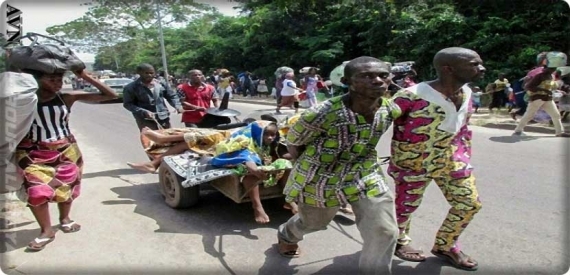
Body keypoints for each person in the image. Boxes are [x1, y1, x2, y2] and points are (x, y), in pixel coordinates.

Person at [276, 56, 400, 275]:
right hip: (320, 177)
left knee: (385, 230)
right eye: (367, 76)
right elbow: (294, 141)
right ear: (347, 81)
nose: (378, 81)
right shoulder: (322, 113)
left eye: (383, 75)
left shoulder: (390, 110)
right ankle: (287, 234)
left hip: (365, 173)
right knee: (313, 223)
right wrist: (306, 165)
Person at [388, 47, 484, 271]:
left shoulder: (468, 93)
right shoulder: (410, 95)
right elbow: (377, 125)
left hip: (454, 161)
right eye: (474, 64)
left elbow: (463, 128)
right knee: (405, 208)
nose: (481, 68)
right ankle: (399, 241)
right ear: (448, 69)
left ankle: (446, 245)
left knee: (469, 204)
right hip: (413, 163)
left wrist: (464, 154)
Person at [15, 68, 117, 251]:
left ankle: (65, 219)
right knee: (35, 191)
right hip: (33, 152)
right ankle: (47, 231)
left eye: (59, 79)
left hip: (66, 151)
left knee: (67, 187)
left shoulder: (67, 97)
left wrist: (84, 76)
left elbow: (110, 95)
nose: (57, 83)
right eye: (52, 79)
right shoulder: (24, 100)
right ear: (36, 80)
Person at [514, 52, 570, 137]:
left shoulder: (551, 76)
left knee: (556, 115)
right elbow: (529, 86)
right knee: (529, 115)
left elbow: (550, 86)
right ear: (547, 67)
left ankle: (559, 132)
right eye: (552, 68)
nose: (554, 69)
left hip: (547, 99)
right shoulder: (540, 76)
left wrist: (555, 91)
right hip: (537, 98)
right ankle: (518, 130)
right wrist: (544, 90)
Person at [123, 63, 184, 131]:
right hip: (145, 119)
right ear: (139, 73)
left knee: (169, 137)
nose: (149, 75)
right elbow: (128, 104)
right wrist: (143, 112)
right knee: (152, 140)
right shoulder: (131, 87)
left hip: (163, 117)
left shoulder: (161, 84)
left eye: (151, 73)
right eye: (146, 73)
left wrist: (178, 106)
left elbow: (172, 96)